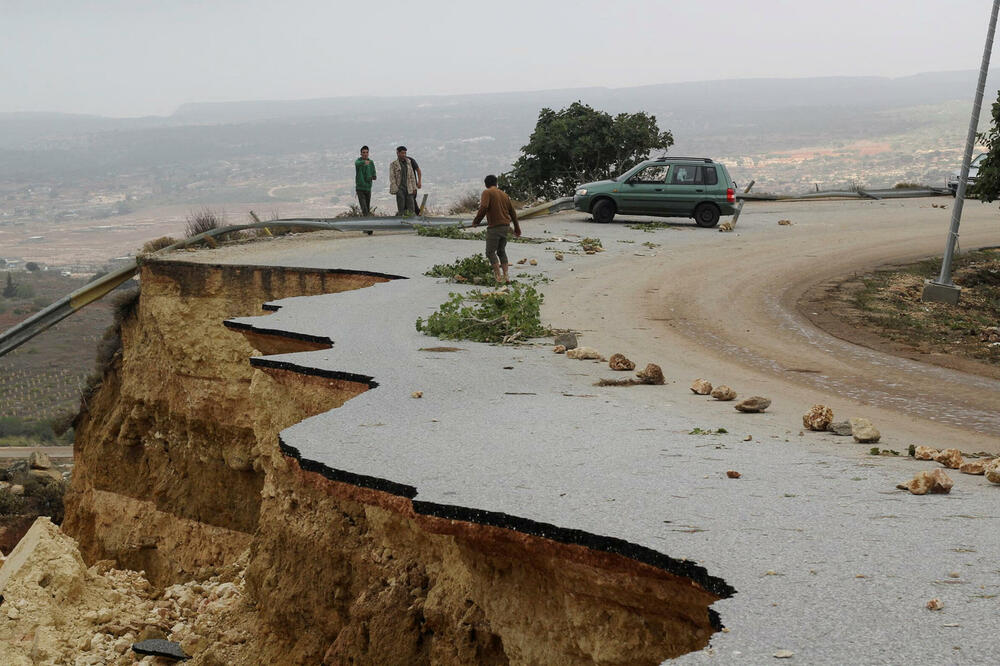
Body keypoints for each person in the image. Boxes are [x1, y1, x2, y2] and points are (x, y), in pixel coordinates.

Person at [471, 174, 521, 283]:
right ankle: (506, 276)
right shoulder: (504, 194)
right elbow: (512, 213)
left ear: (486, 184)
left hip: (495, 227)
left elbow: (484, 207)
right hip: (506, 227)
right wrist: (517, 228)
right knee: (501, 251)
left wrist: (476, 221)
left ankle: (498, 276)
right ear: (496, 183)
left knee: (490, 252)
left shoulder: (487, 192)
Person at [389, 146, 421, 216]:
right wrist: (396, 189)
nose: (404, 155)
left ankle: (412, 224)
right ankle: (401, 223)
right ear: (398, 153)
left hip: (409, 188)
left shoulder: (409, 162)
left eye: (405, 153)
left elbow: (412, 176)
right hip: (400, 188)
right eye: (402, 153)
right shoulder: (394, 164)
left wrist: (414, 187)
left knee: (411, 207)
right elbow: (392, 177)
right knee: (401, 207)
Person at [354, 146, 377, 216]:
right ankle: (366, 220)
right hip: (360, 188)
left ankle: (367, 221)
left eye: (367, 152)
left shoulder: (371, 162)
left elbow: (373, 172)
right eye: (363, 152)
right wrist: (364, 162)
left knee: (367, 206)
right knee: (364, 207)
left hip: (368, 187)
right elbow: (357, 164)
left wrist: (373, 176)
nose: (365, 154)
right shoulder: (358, 161)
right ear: (361, 153)